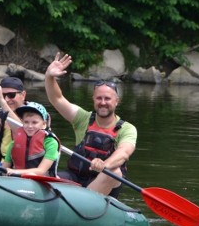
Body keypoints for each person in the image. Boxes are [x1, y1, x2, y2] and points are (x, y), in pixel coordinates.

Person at [45, 53, 137, 197]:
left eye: (107, 98)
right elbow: (56, 98)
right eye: (99, 98)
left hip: (103, 183)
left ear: (116, 101)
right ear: (94, 99)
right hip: (75, 177)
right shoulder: (83, 118)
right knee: (47, 172)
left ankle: (83, 202)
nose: (103, 102)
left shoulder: (127, 128)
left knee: (115, 172)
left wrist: (104, 164)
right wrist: (50, 77)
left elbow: (124, 153)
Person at [2, 102, 60, 177]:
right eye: (26, 122)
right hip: (17, 179)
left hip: (43, 181)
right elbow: (4, 167)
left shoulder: (51, 143)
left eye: (34, 122)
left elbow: (41, 171)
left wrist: (14, 171)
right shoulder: (14, 143)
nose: (30, 126)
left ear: (44, 124)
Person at [0, 76, 27, 162]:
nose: (7, 99)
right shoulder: (0, 114)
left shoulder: (34, 114)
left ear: (23, 95)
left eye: (11, 95)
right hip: (2, 164)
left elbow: (22, 133)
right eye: (3, 95)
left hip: (23, 165)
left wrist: (1, 101)